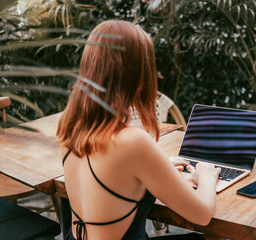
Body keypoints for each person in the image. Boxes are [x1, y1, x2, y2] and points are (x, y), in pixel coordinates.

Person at [57, 20, 221, 240]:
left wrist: (154, 170)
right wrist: (207, 176)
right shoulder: (133, 142)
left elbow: (108, 179)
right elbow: (202, 215)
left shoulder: (70, 125)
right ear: (137, 72)